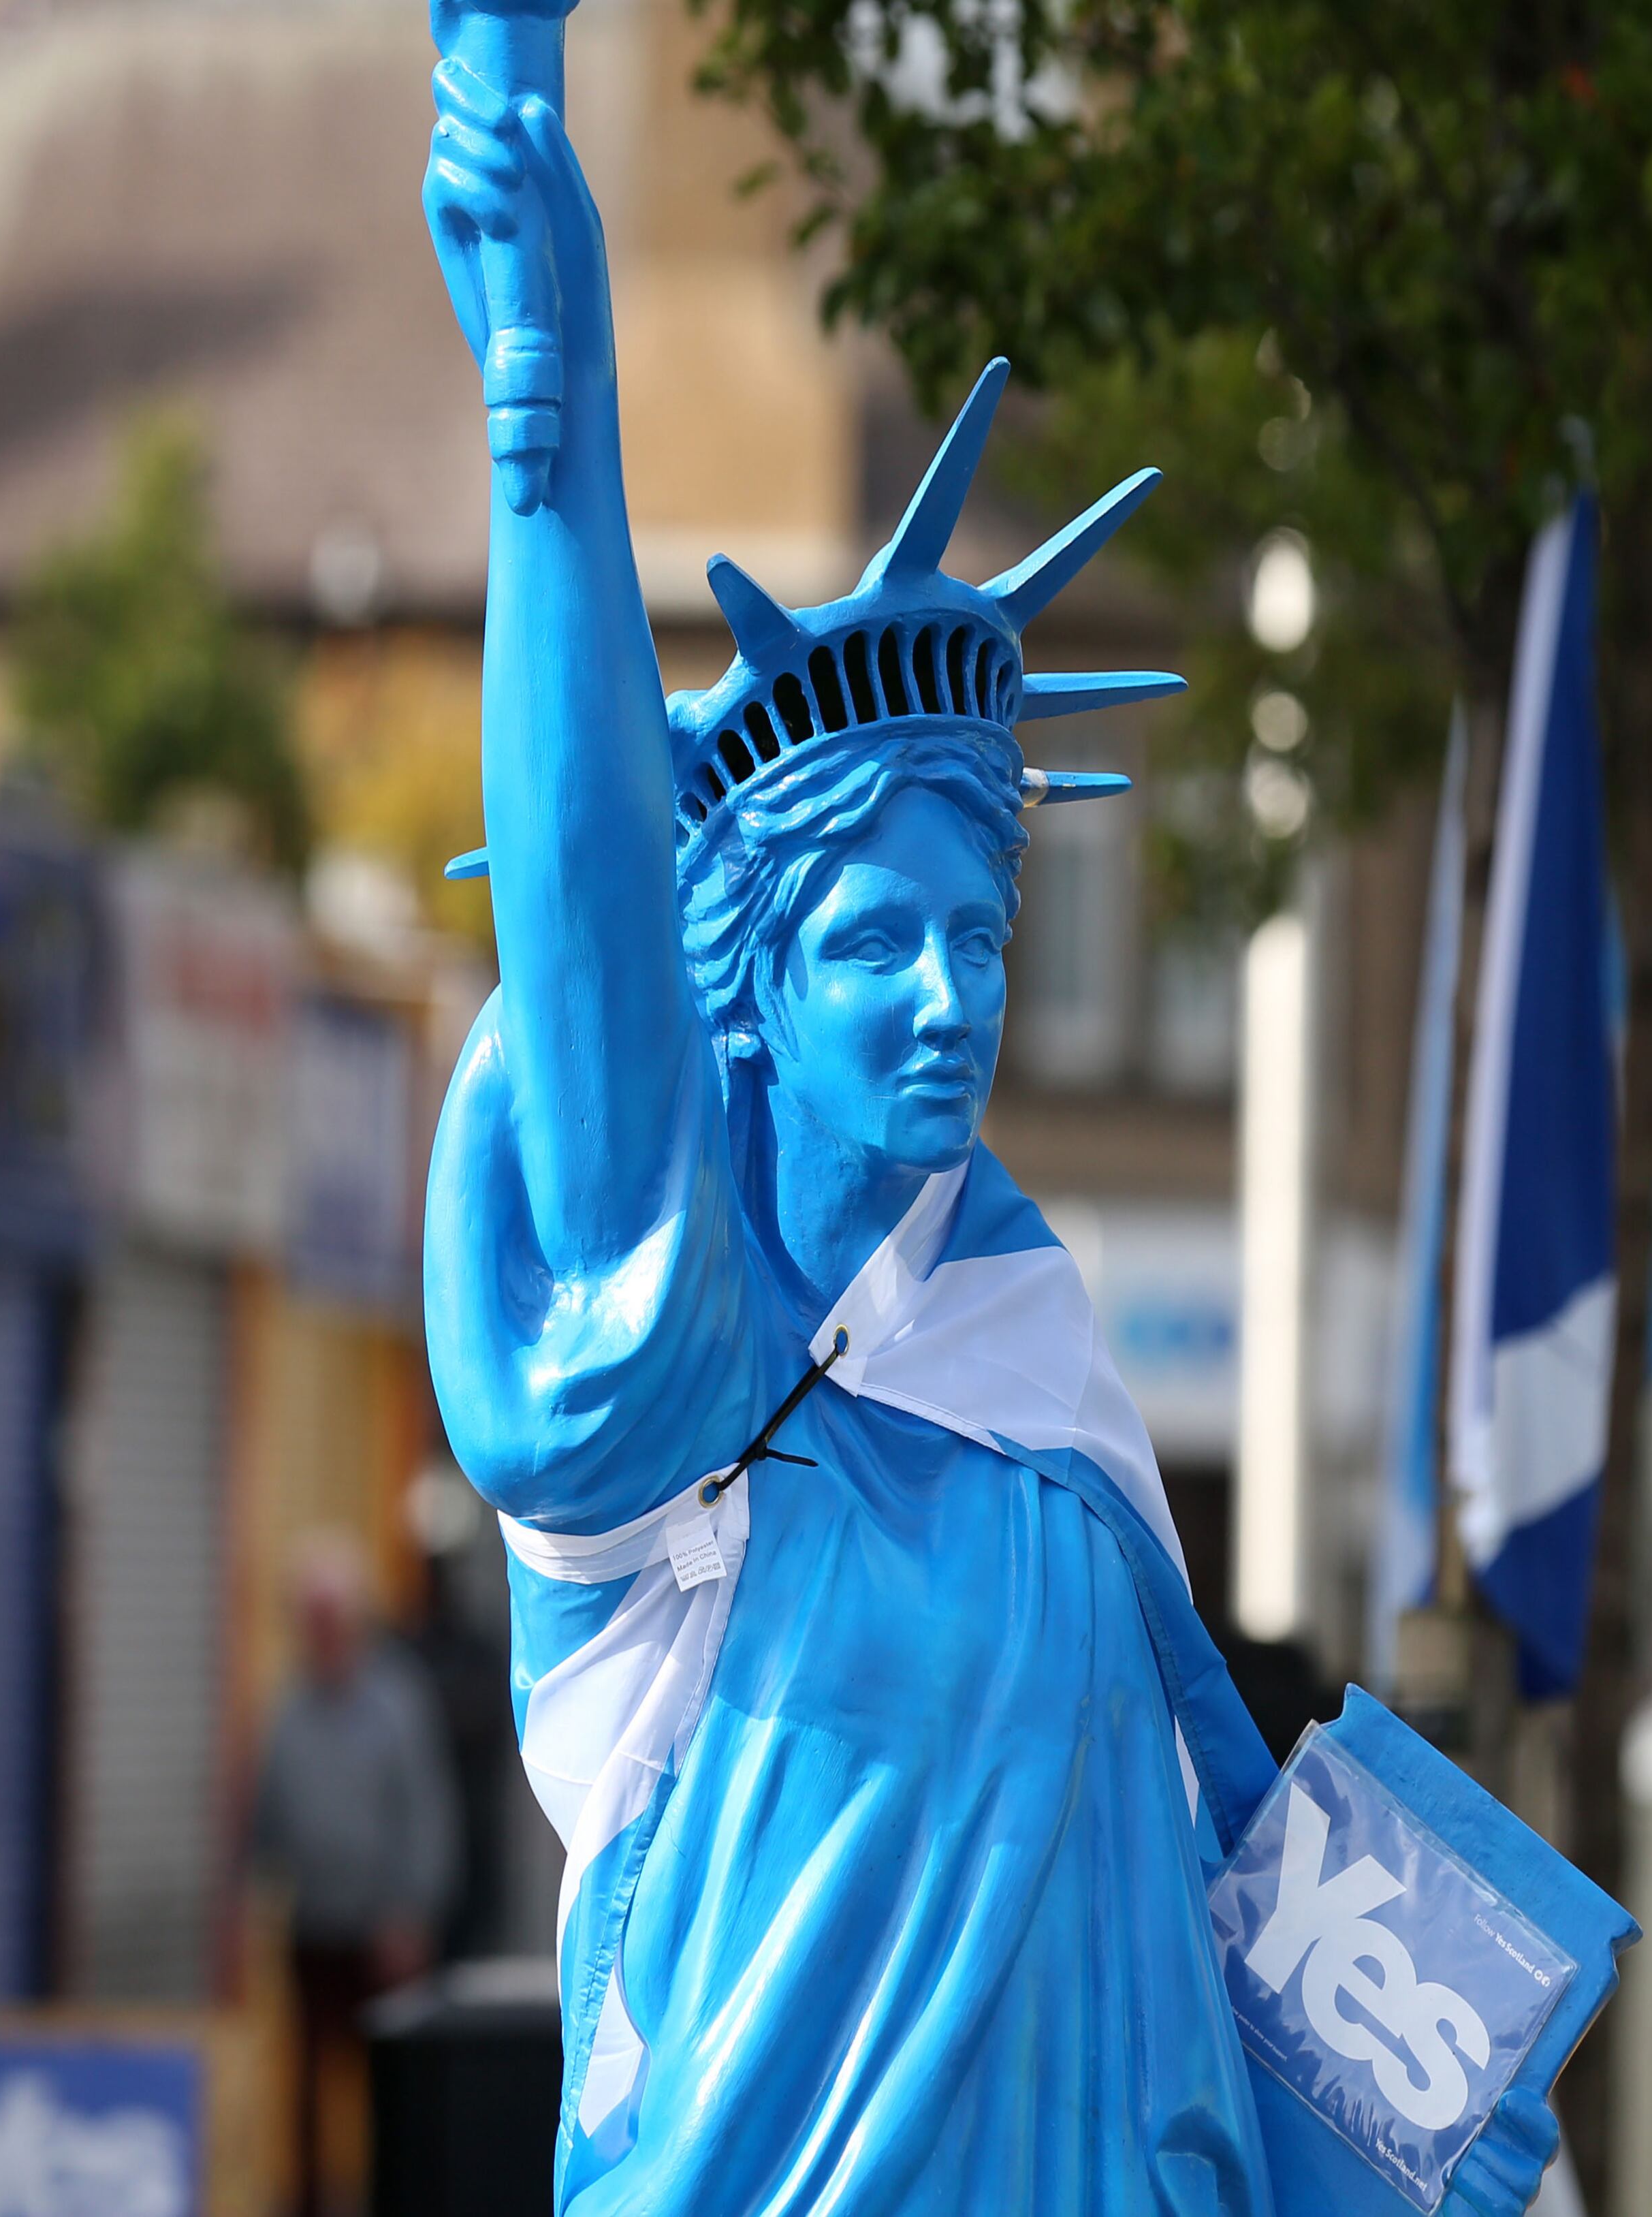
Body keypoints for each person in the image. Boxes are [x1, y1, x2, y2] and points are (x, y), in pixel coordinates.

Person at [410, 50, 1563, 2216]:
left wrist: (1467, 2107)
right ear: (745, 975)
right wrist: (545, 429)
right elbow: (582, 932)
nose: (948, 991)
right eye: (871, 943)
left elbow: (1217, 1835)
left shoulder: (1032, 1367)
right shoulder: (680, 1364)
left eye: (979, 927)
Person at [252, 1540, 459, 2217]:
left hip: (383, 1932)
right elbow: (265, 1820)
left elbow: (428, 1816)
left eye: (330, 1617)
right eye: (308, 1619)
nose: (320, 1633)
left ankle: (392, 2198)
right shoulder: (287, 1711)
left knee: (387, 2086)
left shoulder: (398, 1704)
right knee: (309, 2091)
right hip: (316, 1928)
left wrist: (412, 1911)